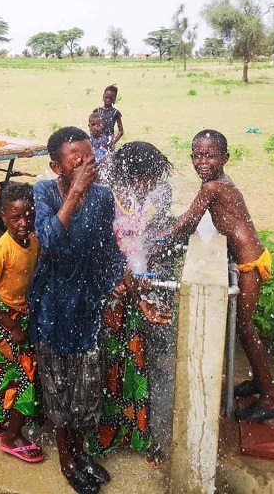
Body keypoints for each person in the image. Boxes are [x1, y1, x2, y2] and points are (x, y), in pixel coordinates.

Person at [28, 126, 133, 493]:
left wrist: (120, 283)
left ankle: (81, 451)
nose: (90, 165)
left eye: (91, 157)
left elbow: (106, 250)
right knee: (58, 384)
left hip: (86, 301)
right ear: (57, 167)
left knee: (86, 385)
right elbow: (50, 240)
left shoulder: (103, 196)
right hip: (53, 304)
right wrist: (74, 193)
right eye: (78, 161)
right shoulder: (43, 191)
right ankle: (66, 459)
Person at [165, 129, 274, 423]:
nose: (202, 161)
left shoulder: (212, 188)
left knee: (246, 328)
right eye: (196, 155)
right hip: (250, 260)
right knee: (243, 327)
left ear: (224, 158)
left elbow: (187, 223)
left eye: (209, 155)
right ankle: (260, 383)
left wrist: (158, 238)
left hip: (249, 265)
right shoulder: (218, 182)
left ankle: (272, 398)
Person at [91, 141, 174, 468]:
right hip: (111, 296)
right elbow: (104, 248)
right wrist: (125, 282)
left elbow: (145, 244)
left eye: (153, 179)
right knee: (109, 365)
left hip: (135, 294)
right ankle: (104, 435)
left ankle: (139, 434)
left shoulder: (144, 200)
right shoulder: (106, 200)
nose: (151, 185)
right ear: (132, 175)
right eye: (147, 178)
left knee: (137, 362)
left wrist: (145, 275)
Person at [0, 182, 44, 463]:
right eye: (16, 218)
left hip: (17, 313)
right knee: (28, 374)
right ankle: (12, 436)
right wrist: (11, 324)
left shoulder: (34, 241)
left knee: (6, 373)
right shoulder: (2, 248)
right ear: (3, 218)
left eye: (29, 215)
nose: (23, 222)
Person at [92, 85, 124, 151]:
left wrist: (113, 141)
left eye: (111, 98)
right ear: (103, 96)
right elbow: (92, 126)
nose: (108, 100)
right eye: (106, 97)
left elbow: (121, 131)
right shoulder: (97, 111)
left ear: (114, 100)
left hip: (109, 141)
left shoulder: (115, 113)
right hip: (97, 141)